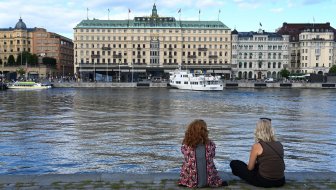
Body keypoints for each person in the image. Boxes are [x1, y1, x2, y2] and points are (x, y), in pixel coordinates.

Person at [230, 118, 285, 188]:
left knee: (234, 163)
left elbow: (250, 168)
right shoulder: (279, 144)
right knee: (259, 165)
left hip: (265, 182)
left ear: (258, 130)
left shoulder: (257, 146)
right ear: (271, 130)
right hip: (281, 181)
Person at [178, 119, 227, 188]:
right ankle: (212, 181)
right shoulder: (210, 144)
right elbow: (212, 155)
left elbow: (184, 153)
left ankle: (185, 181)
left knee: (187, 163)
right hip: (208, 181)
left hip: (191, 181)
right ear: (204, 131)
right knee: (210, 164)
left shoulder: (186, 145)